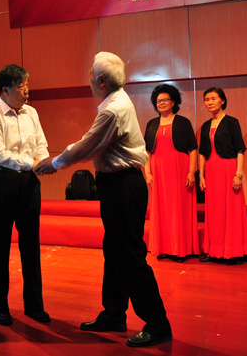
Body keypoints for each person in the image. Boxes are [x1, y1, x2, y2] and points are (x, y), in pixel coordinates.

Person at [35, 52, 172, 348]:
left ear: (100, 80)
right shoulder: (115, 102)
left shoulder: (113, 110)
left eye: (90, 74)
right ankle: (113, 314)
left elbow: (88, 145)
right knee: (115, 250)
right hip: (117, 183)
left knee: (130, 254)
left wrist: (53, 163)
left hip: (123, 185)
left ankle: (157, 323)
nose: (88, 78)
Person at [0, 64, 50, 327]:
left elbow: (41, 144)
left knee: (31, 246)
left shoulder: (31, 112)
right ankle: (1, 306)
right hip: (2, 182)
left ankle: (34, 305)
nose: (26, 91)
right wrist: (32, 163)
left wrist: (44, 162)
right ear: (5, 90)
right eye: (21, 86)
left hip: (29, 182)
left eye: (27, 85)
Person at [144, 84, 199, 263]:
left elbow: (193, 149)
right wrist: (147, 172)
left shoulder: (183, 122)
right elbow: (147, 152)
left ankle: (180, 249)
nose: (161, 103)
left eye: (165, 100)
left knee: (178, 209)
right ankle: (163, 247)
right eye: (158, 101)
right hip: (158, 171)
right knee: (161, 210)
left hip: (179, 169)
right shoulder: (151, 124)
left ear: (173, 102)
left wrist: (191, 172)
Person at [198, 87, 247, 265]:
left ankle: (234, 251)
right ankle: (213, 250)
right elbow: (202, 153)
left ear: (222, 100)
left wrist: (239, 174)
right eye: (207, 99)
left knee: (232, 210)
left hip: (228, 169)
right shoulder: (206, 125)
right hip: (212, 171)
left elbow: (240, 150)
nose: (209, 102)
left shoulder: (231, 122)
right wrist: (201, 176)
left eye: (213, 98)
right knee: (214, 212)